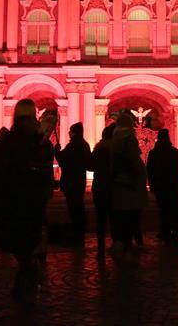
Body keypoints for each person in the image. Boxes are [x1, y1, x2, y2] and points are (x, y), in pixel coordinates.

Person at [0, 100, 55, 298]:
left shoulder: (9, 139)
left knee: (17, 235)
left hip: (14, 195)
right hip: (34, 195)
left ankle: (25, 271)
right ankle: (28, 271)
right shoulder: (39, 141)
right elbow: (46, 164)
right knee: (31, 233)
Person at [110, 113, 147, 265]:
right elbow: (134, 163)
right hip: (130, 186)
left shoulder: (114, 142)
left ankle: (120, 245)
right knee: (130, 218)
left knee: (121, 218)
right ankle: (125, 249)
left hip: (119, 187)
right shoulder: (128, 141)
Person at [54, 122, 92, 247]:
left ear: (75, 132)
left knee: (74, 208)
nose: (68, 132)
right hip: (79, 179)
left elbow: (63, 160)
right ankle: (79, 233)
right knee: (78, 206)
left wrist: (57, 151)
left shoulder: (73, 145)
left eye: (70, 131)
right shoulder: (84, 144)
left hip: (71, 180)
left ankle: (77, 234)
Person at [146, 129, 178, 246]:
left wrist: (152, 184)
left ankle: (165, 232)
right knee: (175, 210)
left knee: (163, 210)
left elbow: (150, 170)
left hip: (160, 186)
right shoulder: (174, 152)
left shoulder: (153, 153)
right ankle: (176, 233)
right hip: (173, 186)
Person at [90, 124, 115, 259]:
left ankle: (100, 249)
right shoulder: (118, 150)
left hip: (100, 187)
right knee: (115, 217)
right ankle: (117, 244)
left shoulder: (100, 149)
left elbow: (89, 165)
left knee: (101, 219)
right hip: (115, 187)